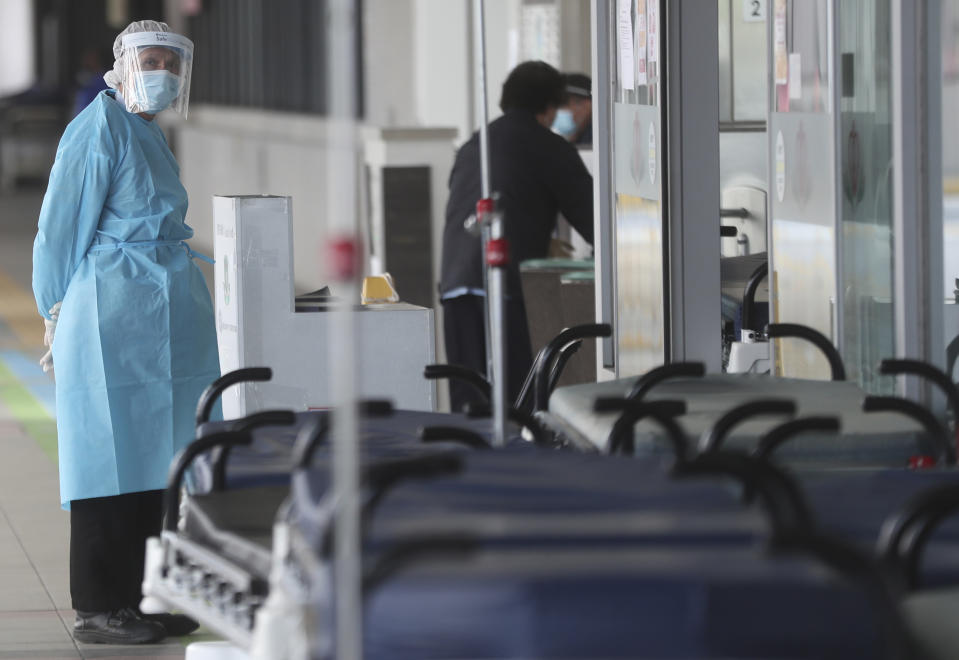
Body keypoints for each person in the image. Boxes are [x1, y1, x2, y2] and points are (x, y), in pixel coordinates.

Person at [32, 20, 219, 645]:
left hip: (158, 315)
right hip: (110, 312)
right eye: (152, 58)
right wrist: (53, 310)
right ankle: (98, 606)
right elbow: (59, 231)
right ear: (124, 64)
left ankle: (141, 598)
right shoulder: (96, 129)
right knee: (106, 465)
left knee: (153, 464)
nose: (162, 71)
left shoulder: (146, 132)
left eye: (171, 60)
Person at [439, 61, 593, 412]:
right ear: (550, 107)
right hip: (502, 287)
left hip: (456, 286)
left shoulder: (473, 145)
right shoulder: (549, 147)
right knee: (515, 403)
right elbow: (596, 220)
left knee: (470, 403)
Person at [551, 72, 592, 146]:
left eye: (563, 104)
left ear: (588, 105)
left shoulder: (597, 141)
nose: (558, 110)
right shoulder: (577, 140)